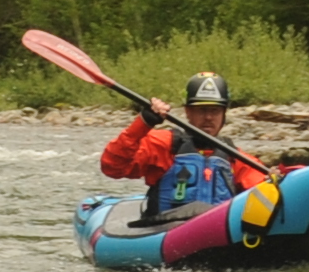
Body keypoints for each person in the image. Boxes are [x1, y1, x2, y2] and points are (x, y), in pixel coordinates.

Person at [100, 71, 242, 222]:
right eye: (201, 110)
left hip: (217, 232)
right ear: (188, 112)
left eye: (215, 110)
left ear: (223, 113)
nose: (208, 117)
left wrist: (270, 178)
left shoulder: (236, 157)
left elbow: (261, 189)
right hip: (166, 229)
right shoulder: (163, 144)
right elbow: (113, 167)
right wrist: (143, 123)